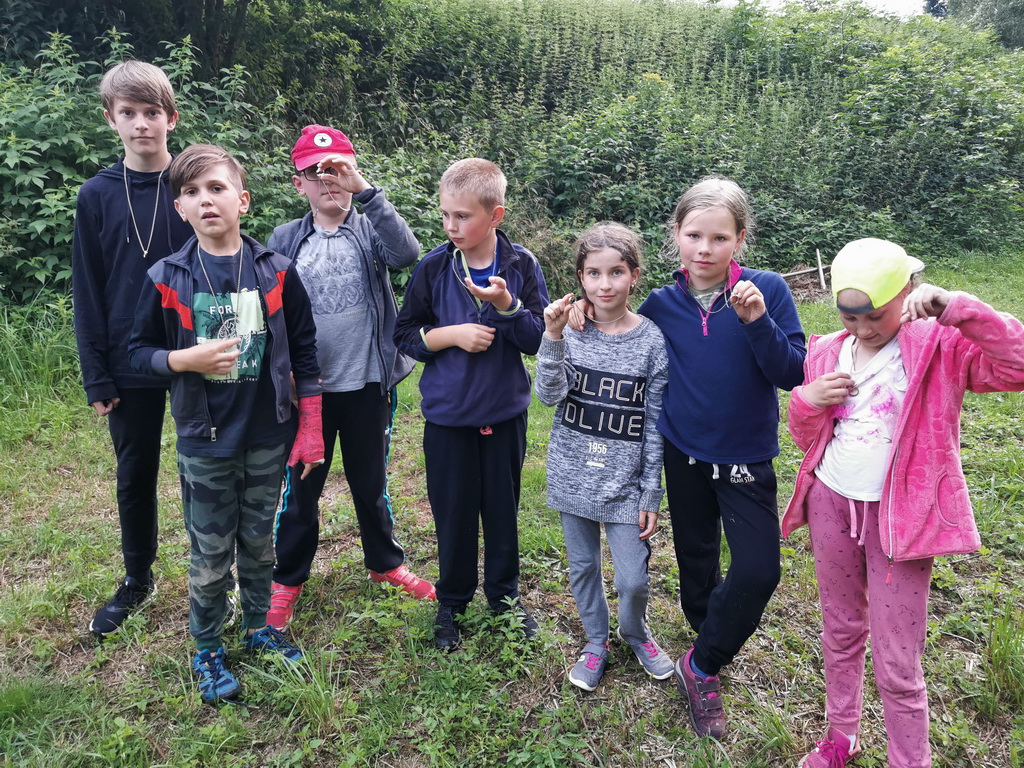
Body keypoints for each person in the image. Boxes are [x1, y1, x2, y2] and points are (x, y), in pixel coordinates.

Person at [782, 238, 1024, 768]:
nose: (863, 328)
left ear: (908, 292)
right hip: (831, 502)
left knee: (897, 658)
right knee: (841, 629)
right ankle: (841, 737)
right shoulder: (827, 351)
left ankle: (908, 759)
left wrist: (958, 309)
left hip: (903, 519)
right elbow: (808, 436)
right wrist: (805, 400)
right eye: (850, 316)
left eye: (875, 316)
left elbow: (1018, 364)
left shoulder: (939, 347)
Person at [128, 144, 324, 703]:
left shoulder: (277, 272)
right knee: (212, 554)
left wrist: (310, 427)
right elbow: (136, 352)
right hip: (205, 440)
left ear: (242, 200)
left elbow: (305, 352)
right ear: (180, 209)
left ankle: (259, 627)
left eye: (216, 188)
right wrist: (181, 359)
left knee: (259, 543)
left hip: (268, 434)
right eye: (191, 192)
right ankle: (207, 647)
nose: (205, 200)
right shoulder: (166, 277)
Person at [612, 177, 805, 736]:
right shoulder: (661, 304)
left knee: (758, 569)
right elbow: (622, 336)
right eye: (694, 235)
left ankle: (699, 664)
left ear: (740, 239)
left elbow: (792, 372)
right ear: (676, 234)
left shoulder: (766, 290)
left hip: (745, 457)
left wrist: (757, 322)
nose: (705, 249)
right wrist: (577, 319)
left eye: (720, 238)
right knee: (696, 558)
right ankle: (707, 639)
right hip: (684, 453)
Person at [265, 125, 434, 631]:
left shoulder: (368, 229)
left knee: (371, 483)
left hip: (366, 384)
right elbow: (272, 312)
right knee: (301, 492)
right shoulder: (285, 239)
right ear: (298, 184)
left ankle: (385, 563)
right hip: (308, 393)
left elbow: (406, 254)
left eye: (338, 170)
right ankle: (287, 578)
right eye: (316, 174)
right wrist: (283, 375)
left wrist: (367, 193)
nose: (329, 182)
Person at [394, 157, 549, 651]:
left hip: (504, 415)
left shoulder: (521, 265)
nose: (451, 225)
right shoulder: (434, 266)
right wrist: (450, 335)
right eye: (445, 214)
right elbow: (404, 333)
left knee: (502, 511)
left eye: (462, 216)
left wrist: (506, 306)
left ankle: (505, 599)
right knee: (454, 513)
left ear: (495, 215)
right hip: (449, 418)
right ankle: (452, 602)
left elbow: (538, 339)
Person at [72, 60, 194, 637]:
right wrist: (96, 373)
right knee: (135, 472)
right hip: (128, 360)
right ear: (111, 119)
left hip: (198, 353)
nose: (142, 124)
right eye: (129, 113)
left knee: (206, 469)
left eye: (151, 112)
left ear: (171, 117)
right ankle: (137, 579)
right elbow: (87, 288)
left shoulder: (195, 184)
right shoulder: (96, 195)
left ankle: (213, 573)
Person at [534, 223, 672, 691]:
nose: (605, 284)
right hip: (572, 476)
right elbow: (548, 395)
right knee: (584, 567)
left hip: (626, 485)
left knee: (633, 579)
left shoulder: (652, 341)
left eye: (616, 272)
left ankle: (636, 632)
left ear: (634, 276)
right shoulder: (569, 330)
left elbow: (654, 423)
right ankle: (596, 641)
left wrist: (650, 491)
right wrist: (553, 336)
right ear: (581, 277)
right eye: (594, 273)